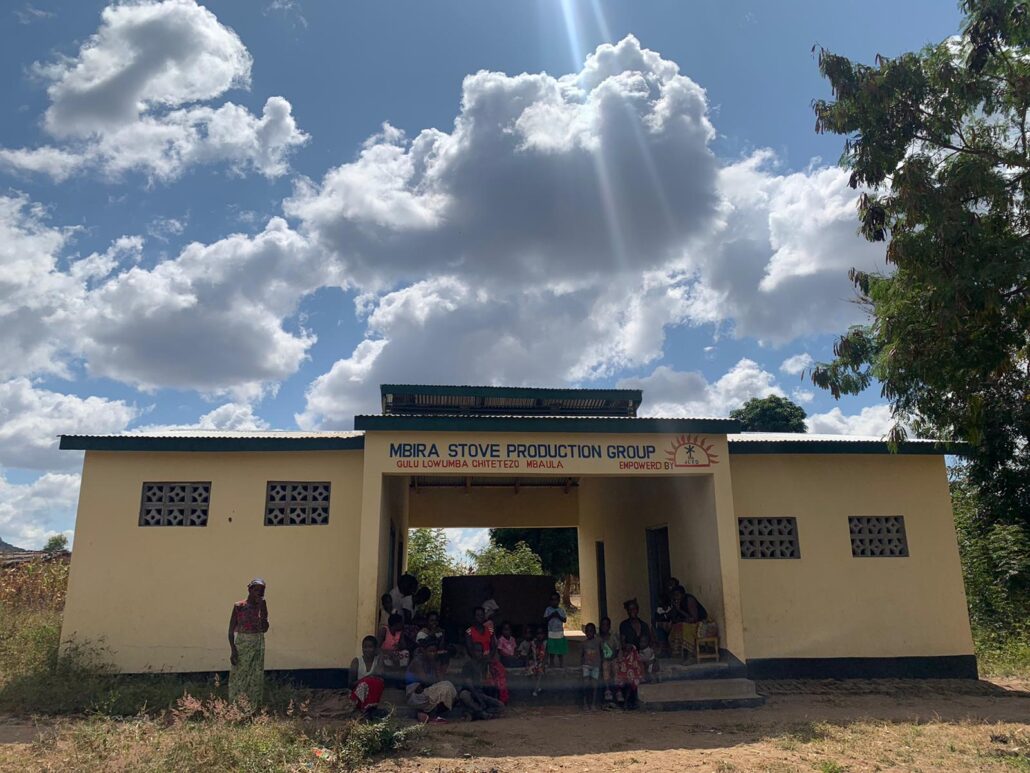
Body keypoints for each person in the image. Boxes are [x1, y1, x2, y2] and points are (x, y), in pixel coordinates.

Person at [228, 578, 269, 708]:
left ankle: (253, 706)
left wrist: (262, 611)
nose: (259, 593)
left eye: (262, 590)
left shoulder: (262, 605)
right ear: (250, 590)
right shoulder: (239, 606)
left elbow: (265, 628)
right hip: (242, 644)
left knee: (255, 676)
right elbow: (230, 630)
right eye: (256, 590)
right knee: (238, 675)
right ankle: (236, 705)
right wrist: (233, 650)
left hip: (257, 643)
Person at [465, 606, 508, 704]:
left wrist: (489, 657)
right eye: (477, 615)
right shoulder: (469, 631)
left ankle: (500, 700)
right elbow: (469, 649)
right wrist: (479, 659)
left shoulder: (490, 630)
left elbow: (493, 646)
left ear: (484, 616)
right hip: (476, 660)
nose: (479, 617)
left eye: (481, 615)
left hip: (489, 659)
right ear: (474, 617)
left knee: (499, 674)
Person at [405, 642, 457, 723]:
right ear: (424, 651)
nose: (433, 654)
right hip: (415, 693)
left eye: (434, 651)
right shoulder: (417, 662)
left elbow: (441, 680)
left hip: (428, 691)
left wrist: (437, 668)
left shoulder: (433, 662)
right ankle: (430, 715)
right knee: (444, 688)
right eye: (430, 651)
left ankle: (426, 714)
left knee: (448, 686)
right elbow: (425, 681)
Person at [458, 642, 506, 720]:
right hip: (471, 693)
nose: (478, 653)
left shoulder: (485, 664)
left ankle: (477, 714)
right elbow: (468, 683)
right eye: (476, 651)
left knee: (501, 706)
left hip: (482, 694)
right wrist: (478, 697)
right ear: (472, 652)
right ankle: (481, 713)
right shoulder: (468, 665)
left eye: (480, 651)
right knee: (464, 695)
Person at [349, 635, 386, 719]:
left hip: (373, 698)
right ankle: (366, 710)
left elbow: (380, 674)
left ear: (375, 649)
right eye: (365, 647)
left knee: (378, 681)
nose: (367, 650)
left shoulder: (377, 661)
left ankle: (370, 710)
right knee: (369, 681)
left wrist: (380, 655)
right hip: (358, 696)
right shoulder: (356, 662)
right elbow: (350, 685)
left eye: (370, 647)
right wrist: (366, 679)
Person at [668, 587, 708, 658]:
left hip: (700, 622)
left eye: (677, 595)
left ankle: (691, 654)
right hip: (689, 622)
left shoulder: (689, 599)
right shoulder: (678, 602)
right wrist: (675, 608)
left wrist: (680, 610)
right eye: (674, 595)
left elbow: (694, 618)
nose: (675, 597)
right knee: (675, 627)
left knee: (686, 628)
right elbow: (674, 618)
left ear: (683, 594)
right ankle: (679, 653)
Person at [598, 616, 619, 707]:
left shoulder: (613, 637)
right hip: (604, 660)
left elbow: (617, 649)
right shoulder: (598, 638)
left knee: (616, 668)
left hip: (613, 658)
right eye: (603, 625)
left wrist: (615, 657)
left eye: (607, 625)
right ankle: (607, 690)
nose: (605, 627)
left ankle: (618, 690)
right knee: (605, 667)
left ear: (609, 626)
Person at [580, 622, 602, 710]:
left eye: (591, 631)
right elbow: (582, 655)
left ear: (594, 632)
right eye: (587, 631)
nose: (589, 633)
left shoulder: (598, 641)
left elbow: (601, 652)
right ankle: (585, 703)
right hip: (586, 666)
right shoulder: (583, 643)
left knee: (594, 685)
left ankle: (593, 703)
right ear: (585, 632)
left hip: (596, 666)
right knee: (586, 684)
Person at [543, 592, 568, 667]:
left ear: (559, 601)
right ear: (550, 601)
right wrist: (551, 615)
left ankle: (561, 663)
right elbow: (545, 619)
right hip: (551, 632)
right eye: (552, 600)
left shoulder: (561, 610)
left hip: (559, 633)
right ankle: (551, 663)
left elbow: (564, 620)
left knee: (560, 649)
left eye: (556, 600)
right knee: (551, 649)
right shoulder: (548, 609)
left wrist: (558, 616)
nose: (554, 602)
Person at [528, 626, 548, 697]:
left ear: (544, 634)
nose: (540, 635)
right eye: (538, 633)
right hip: (535, 661)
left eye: (541, 633)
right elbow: (530, 654)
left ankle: (535, 690)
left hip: (543, 662)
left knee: (540, 671)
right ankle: (537, 687)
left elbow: (546, 655)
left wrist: (543, 664)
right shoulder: (533, 643)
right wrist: (530, 661)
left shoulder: (546, 643)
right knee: (531, 670)